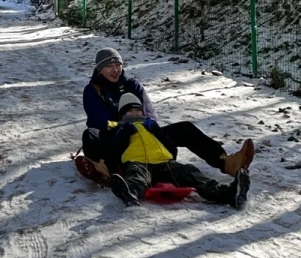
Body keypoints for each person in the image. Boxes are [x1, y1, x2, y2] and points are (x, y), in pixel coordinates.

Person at [79, 46, 252, 180]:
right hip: (116, 139)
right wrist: (124, 126)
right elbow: (99, 120)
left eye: (118, 65)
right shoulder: (93, 90)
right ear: (99, 69)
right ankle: (104, 169)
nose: (115, 70)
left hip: (144, 132)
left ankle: (227, 162)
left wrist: (144, 125)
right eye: (109, 66)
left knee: (185, 128)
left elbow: (150, 113)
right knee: (90, 134)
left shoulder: (132, 85)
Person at [101, 93, 252, 209]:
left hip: (164, 163)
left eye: (137, 111)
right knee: (137, 175)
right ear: (122, 115)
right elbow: (113, 151)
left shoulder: (151, 127)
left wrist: (158, 132)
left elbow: (171, 149)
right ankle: (131, 193)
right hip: (137, 162)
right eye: (130, 112)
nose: (135, 114)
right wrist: (123, 132)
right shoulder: (118, 129)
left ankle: (229, 194)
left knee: (189, 172)